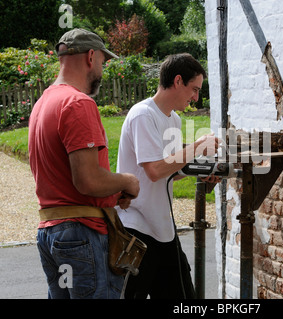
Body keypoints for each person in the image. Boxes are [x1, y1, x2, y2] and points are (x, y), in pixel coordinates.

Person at [28, 28, 140, 299]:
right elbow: (87, 180)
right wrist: (127, 181)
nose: (102, 68)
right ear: (91, 56)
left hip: (51, 233)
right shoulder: (78, 103)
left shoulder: (43, 103)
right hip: (81, 233)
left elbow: (63, 176)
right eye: (103, 61)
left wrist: (112, 193)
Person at [116, 53, 220, 299]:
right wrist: (197, 147)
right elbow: (154, 171)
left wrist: (201, 172)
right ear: (177, 81)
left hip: (163, 229)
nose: (196, 97)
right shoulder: (143, 115)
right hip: (137, 229)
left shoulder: (173, 119)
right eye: (194, 89)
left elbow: (170, 170)